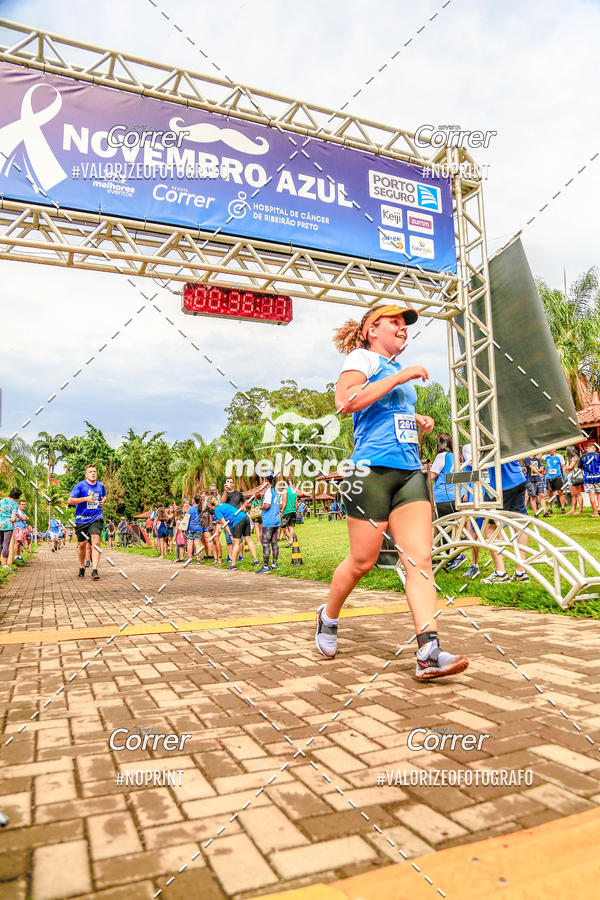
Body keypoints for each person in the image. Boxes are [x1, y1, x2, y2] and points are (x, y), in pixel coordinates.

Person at [316, 304, 467, 680]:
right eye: (395, 322)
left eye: (405, 324)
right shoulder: (363, 358)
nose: (403, 328)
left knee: (419, 561)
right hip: (369, 472)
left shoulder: (395, 370)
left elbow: (382, 412)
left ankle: (429, 651)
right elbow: (346, 402)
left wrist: (416, 420)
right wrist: (401, 377)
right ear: (371, 330)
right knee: (362, 561)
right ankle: (328, 616)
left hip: (409, 472)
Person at [480, 460, 530, 584]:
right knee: (519, 525)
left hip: (501, 484)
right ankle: (521, 571)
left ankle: (500, 572)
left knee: (491, 527)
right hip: (518, 479)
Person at [430, 432, 467, 572]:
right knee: (451, 528)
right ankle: (451, 556)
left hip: (442, 496)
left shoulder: (441, 456)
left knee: (444, 529)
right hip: (454, 495)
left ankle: (454, 557)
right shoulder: (455, 457)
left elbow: (432, 474)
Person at [67, 464, 106, 580]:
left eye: (94, 471)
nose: (93, 473)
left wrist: (103, 501)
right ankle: (81, 566)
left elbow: (104, 496)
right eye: (90, 472)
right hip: (81, 519)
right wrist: (86, 499)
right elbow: (70, 501)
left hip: (96, 518)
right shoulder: (80, 486)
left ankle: (95, 570)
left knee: (96, 542)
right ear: (86, 474)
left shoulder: (101, 485)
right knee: (82, 545)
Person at [212, 497, 259, 569]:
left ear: (211, 505)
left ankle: (233, 564)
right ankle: (256, 561)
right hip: (245, 517)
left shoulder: (217, 510)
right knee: (248, 539)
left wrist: (230, 535)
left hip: (238, 520)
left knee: (236, 542)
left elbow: (225, 524)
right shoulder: (223, 504)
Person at [257, 473, 282, 573]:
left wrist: (261, 508)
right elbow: (280, 506)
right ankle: (274, 564)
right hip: (276, 520)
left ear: (266, 480)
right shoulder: (277, 491)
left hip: (268, 521)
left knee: (265, 543)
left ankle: (266, 567)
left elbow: (267, 505)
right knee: (274, 543)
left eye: (263, 479)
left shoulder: (268, 491)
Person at [0, 487, 22, 570]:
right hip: (8, 525)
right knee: (6, 544)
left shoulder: (2, 500)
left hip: (0, 523)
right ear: (17, 496)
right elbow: (13, 519)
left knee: (0, 544)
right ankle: (5, 564)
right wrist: (17, 519)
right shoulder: (14, 503)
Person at [543, 449, 566, 513]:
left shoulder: (559, 456)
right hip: (549, 477)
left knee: (560, 492)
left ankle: (563, 508)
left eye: (551, 449)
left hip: (557, 476)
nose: (550, 451)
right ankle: (550, 509)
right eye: (549, 449)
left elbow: (563, 466)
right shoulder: (546, 456)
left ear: (555, 449)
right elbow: (538, 458)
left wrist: (564, 474)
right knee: (550, 493)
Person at [580, 441, 600, 516]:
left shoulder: (583, 457)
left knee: (591, 494)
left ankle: (595, 512)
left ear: (587, 448)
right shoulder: (598, 455)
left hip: (588, 478)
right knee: (599, 493)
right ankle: (599, 508)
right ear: (594, 448)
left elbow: (580, 467)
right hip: (598, 477)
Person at [564, 447, 584, 515]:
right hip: (570, 476)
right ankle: (572, 509)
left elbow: (570, 467)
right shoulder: (569, 459)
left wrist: (565, 468)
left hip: (575, 477)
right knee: (573, 494)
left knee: (578, 493)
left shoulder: (574, 458)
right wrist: (566, 468)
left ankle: (580, 509)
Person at [186, 494, 204, 563]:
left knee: (190, 544)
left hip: (191, 528)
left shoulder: (190, 509)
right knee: (197, 544)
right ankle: (198, 559)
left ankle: (189, 559)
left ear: (194, 500)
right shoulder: (201, 509)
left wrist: (187, 528)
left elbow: (188, 519)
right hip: (199, 528)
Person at [281, 479, 298, 544]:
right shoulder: (294, 492)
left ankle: (290, 539)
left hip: (287, 511)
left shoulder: (285, 490)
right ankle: (291, 540)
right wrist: (295, 511)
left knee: (282, 526)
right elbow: (296, 504)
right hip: (293, 511)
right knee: (290, 526)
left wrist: (282, 510)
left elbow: (284, 502)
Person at [12, 500, 28, 564]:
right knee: (17, 543)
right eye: (22, 504)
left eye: (24, 504)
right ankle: (16, 556)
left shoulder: (22, 512)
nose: (24, 505)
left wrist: (24, 517)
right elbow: (24, 518)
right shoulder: (17, 511)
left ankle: (18, 556)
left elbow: (27, 519)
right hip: (18, 528)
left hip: (22, 529)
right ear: (19, 505)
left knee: (20, 543)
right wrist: (23, 518)